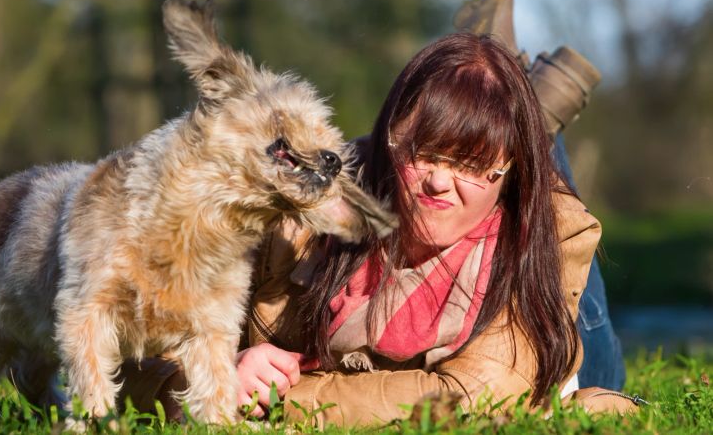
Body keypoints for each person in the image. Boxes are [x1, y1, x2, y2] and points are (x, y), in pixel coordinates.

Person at [119, 33, 637, 425]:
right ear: (392, 133)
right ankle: (494, 103)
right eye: (423, 152)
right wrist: (219, 371)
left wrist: (276, 401)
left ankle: (526, 114)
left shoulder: (557, 226)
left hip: (549, 330)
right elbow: (130, 345)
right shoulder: (296, 205)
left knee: (599, 374)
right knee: (484, 129)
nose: (437, 181)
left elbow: (475, 397)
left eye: (474, 166)